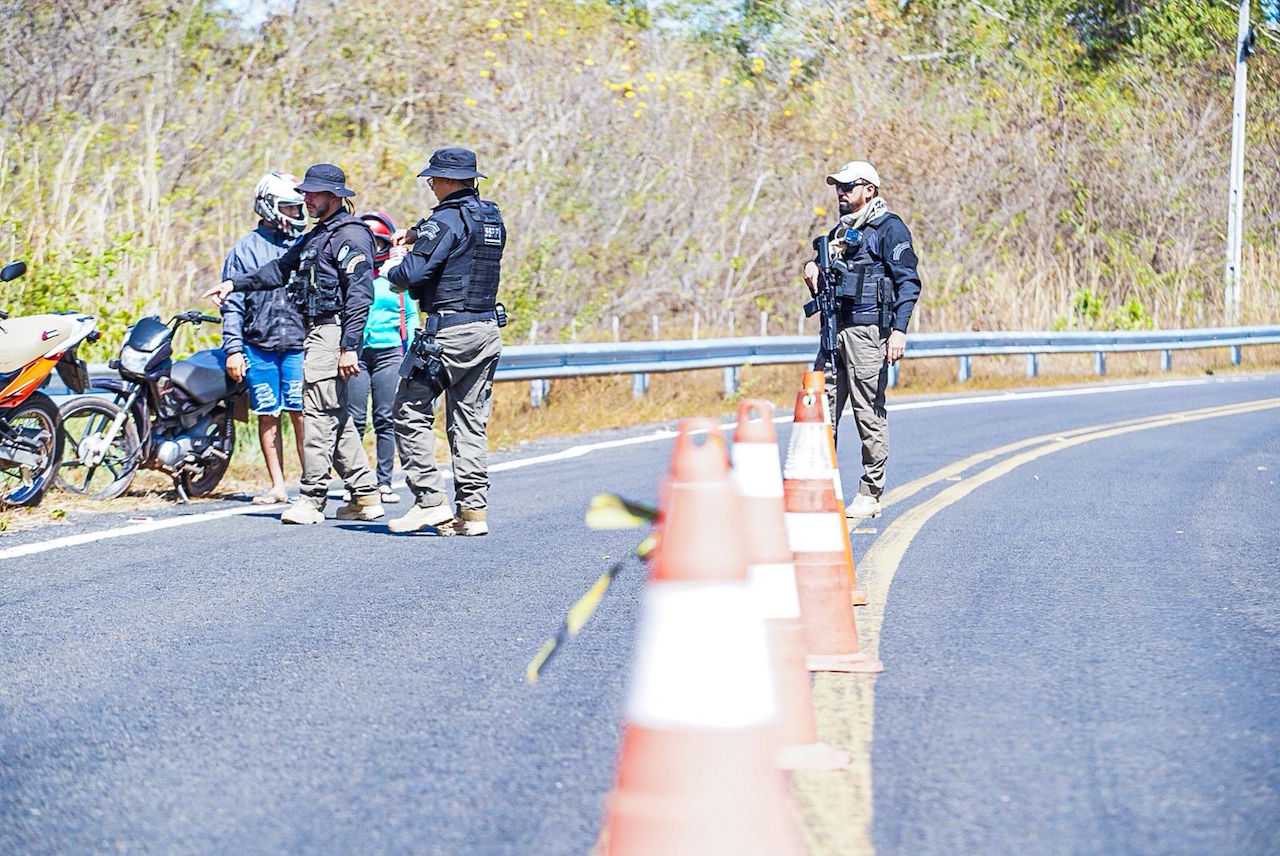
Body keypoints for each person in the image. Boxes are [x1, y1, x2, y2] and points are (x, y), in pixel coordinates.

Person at [202, 163, 383, 525]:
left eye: (313, 194)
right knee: (335, 417)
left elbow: (360, 294)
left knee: (316, 418)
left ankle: (312, 500)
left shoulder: (350, 235)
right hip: (317, 333)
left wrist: (349, 346)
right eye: (304, 194)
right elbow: (278, 270)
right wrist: (234, 284)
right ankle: (365, 495)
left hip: (332, 333)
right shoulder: (317, 236)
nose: (306, 201)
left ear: (334, 196)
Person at [382, 147, 505, 536]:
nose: (431, 184)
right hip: (486, 329)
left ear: (450, 180)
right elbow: (456, 242)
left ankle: (429, 501)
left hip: (448, 334)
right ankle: (472, 513)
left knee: (409, 409)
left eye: (434, 178)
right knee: (469, 420)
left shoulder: (445, 220)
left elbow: (413, 274)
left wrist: (393, 268)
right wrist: (417, 232)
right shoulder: (490, 217)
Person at [802, 160, 921, 520]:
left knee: (867, 413)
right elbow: (827, 274)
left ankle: (870, 493)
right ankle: (821, 489)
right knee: (821, 412)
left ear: (869, 190)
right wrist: (813, 269)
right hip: (833, 331)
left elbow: (908, 282)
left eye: (847, 186)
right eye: (837, 186)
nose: (840, 192)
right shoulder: (838, 233)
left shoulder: (889, 229)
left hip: (868, 334)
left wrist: (899, 330)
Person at [220, 171, 307, 506]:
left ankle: (312, 484)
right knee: (268, 414)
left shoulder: (303, 245)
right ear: (269, 206)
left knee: (302, 413)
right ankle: (277, 486)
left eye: (298, 207)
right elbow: (232, 304)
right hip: (259, 346)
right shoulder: (245, 249)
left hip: (299, 345)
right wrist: (233, 349)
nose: (296, 214)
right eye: (289, 207)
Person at [346, 210, 415, 504]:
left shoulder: (396, 275)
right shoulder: (352, 274)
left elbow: (410, 316)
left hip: (389, 353)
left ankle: (384, 482)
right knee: (355, 418)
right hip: (358, 354)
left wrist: (411, 354)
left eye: (378, 242)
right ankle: (357, 482)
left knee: (385, 418)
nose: (373, 248)